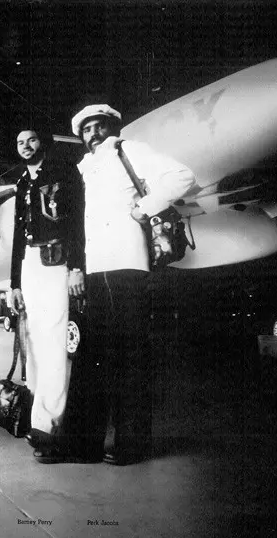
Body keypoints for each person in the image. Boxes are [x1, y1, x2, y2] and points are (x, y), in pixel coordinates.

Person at [69, 104, 195, 465]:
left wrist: (145, 208)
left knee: (130, 354)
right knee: (93, 356)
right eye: (87, 129)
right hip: (96, 268)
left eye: (99, 126)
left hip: (127, 263)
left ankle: (133, 444)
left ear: (112, 127)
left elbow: (182, 175)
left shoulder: (130, 150)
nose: (94, 134)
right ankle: (84, 444)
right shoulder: (84, 168)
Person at [10, 128, 85, 463]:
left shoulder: (63, 174)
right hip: (29, 265)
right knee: (34, 341)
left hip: (56, 261)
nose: (26, 146)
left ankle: (49, 426)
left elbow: (77, 222)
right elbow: (17, 234)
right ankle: (37, 417)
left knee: (54, 341)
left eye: (31, 139)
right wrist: (14, 283)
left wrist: (76, 266)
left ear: (43, 142)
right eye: (20, 142)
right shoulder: (22, 182)